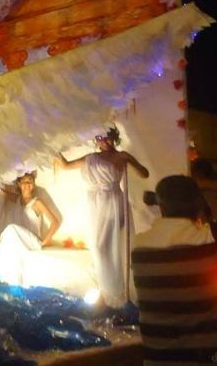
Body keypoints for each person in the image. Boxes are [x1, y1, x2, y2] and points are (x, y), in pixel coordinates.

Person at [132, 175, 217, 365]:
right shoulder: (214, 239)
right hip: (213, 358)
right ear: (199, 205)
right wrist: (211, 183)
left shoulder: (139, 247)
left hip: (160, 360)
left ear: (162, 207)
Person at [55, 127, 149, 308]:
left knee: (105, 246)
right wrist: (50, 150)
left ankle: (115, 294)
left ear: (113, 138)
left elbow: (144, 173)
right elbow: (66, 165)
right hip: (95, 202)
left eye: (107, 138)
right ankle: (108, 292)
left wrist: (131, 162)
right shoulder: (90, 157)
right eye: (99, 138)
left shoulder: (121, 155)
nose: (103, 142)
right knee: (97, 246)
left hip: (113, 201)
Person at [0, 172, 61, 285]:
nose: (27, 184)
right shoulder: (16, 199)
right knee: (9, 235)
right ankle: (0, 276)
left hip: (32, 241)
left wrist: (45, 241)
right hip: (18, 240)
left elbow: (55, 222)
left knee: (10, 229)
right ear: (19, 184)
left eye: (30, 181)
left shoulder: (37, 202)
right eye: (24, 182)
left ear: (34, 184)